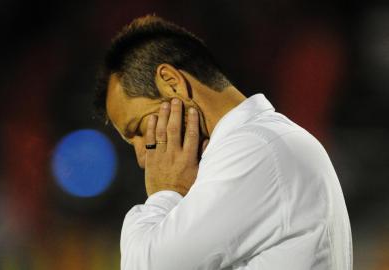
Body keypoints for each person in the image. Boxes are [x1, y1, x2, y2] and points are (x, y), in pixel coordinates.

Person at [94, 14, 352, 270]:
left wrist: (165, 191)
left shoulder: (254, 149)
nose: (143, 156)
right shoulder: (265, 142)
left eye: (139, 129)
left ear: (172, 84)